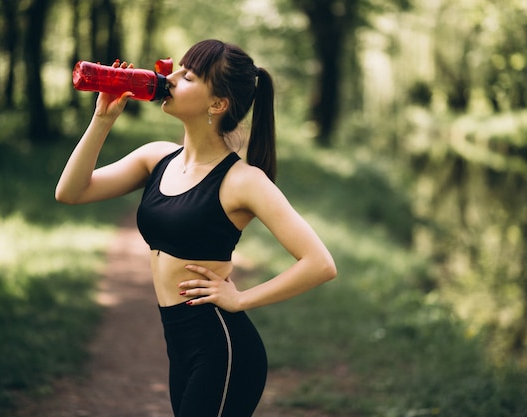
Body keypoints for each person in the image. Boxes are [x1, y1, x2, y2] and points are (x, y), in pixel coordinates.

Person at [55, 39, 337, 417]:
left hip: (221, 348)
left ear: (217, 104)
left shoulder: (244, 181)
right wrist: (102, 120)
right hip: (180, 346)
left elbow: (320, 263)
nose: (168, 78)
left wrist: (241, 299)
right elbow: (71, 192)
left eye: (187, 76)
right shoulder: (155, 158)